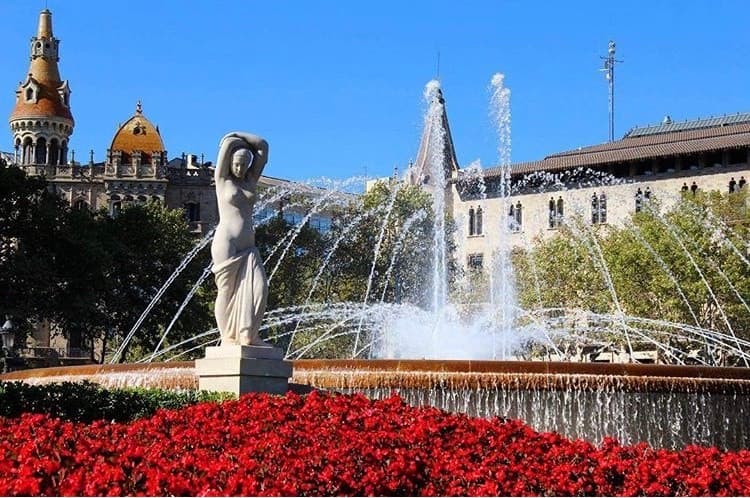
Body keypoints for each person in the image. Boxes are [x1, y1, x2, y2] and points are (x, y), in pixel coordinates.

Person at [211, 132, 271, 347]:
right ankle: (227, 338)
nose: (241, 168)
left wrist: (239, 135)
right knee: (226, 290)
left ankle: (248, 335)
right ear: (230, 162)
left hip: (249, 246)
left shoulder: (251, 180)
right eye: (237, 163)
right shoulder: (222, 180)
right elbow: (225, 147)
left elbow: (263, 148)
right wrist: (230, 139)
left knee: (260, 288)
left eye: (245, 164)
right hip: (226, 242)